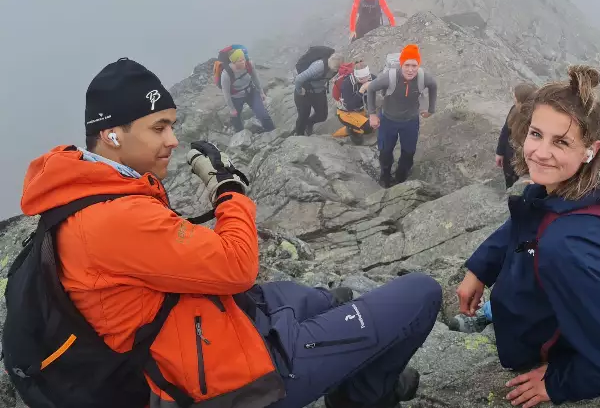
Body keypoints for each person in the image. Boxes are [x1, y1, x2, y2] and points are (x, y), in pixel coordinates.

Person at [17, 57, 440, 408]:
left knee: (327, 299)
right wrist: (229, 190)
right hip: (223, 381)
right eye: (159, 127)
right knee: (421, 294)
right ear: (111, 135)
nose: (173, 140)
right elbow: (238, 266)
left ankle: (358, 370)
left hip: (202, 330)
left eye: (172, 125)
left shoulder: (90, 189)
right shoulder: (112, 218)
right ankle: (363, 394)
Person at [457, 66, 600, 407]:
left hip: (545, 345)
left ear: (590, 149)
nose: (540, 152)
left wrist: (557, 383)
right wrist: (480, 268)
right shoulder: (578, 186)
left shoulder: (567, 249)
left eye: (561, 142)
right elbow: (529, 221)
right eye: (536, 134)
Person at [365, 44, 438, 186]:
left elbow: (433, 85)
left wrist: (431, 109)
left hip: (410, 121)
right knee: (385, 151)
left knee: (409, 152)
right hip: (388, 120)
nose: (410, 70)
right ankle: (385, 176)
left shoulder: (423, 77)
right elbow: (371, 88)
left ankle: (401, 176)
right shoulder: (389, 77)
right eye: (407, 65)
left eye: (414, 65)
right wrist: (372, 114)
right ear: (401, 64)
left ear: (418, 65)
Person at [221, 47, 275, 132]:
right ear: (233, 62)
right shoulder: (226, 74)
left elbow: (255, 78)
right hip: (236, 97)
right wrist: (232, 109)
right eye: (240, 61)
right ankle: (240, 133)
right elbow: (226, 93)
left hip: (251, 91)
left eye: (243, 59)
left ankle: (271, 130)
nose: (243, 62)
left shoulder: (249, 64)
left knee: (263, 114)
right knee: (235, 117)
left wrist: (261, 92)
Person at [495, 83, 537, 188]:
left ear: (522, 102)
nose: (514, 100)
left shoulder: (536, 119)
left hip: (524, 162)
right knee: (509, 181)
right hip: (509, 157)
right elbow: (505, 131)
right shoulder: (514, 110)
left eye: (515, 98)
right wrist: (499, 152)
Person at [294, 46, 341, 136]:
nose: (336, 70)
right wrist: (299, 91)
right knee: (303, 116)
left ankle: (309, 123)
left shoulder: (336, 66)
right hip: (305, 91)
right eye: (336, 68)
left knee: (322, 115)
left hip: (319, 91)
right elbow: (299, 79)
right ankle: (299, 135)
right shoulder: (319, 66)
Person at [335, 61, 377, 143]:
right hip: (346, 113)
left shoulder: (371, 78)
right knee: (368, 127)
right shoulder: (347, 83)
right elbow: (349, 106)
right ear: (355, 76)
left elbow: (382, 83)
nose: (365, 80)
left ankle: (354, 128)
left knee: (373, 125)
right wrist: (362, 90)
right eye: (361, 79)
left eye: (367, 77)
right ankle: (350, 130)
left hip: (360, 110)